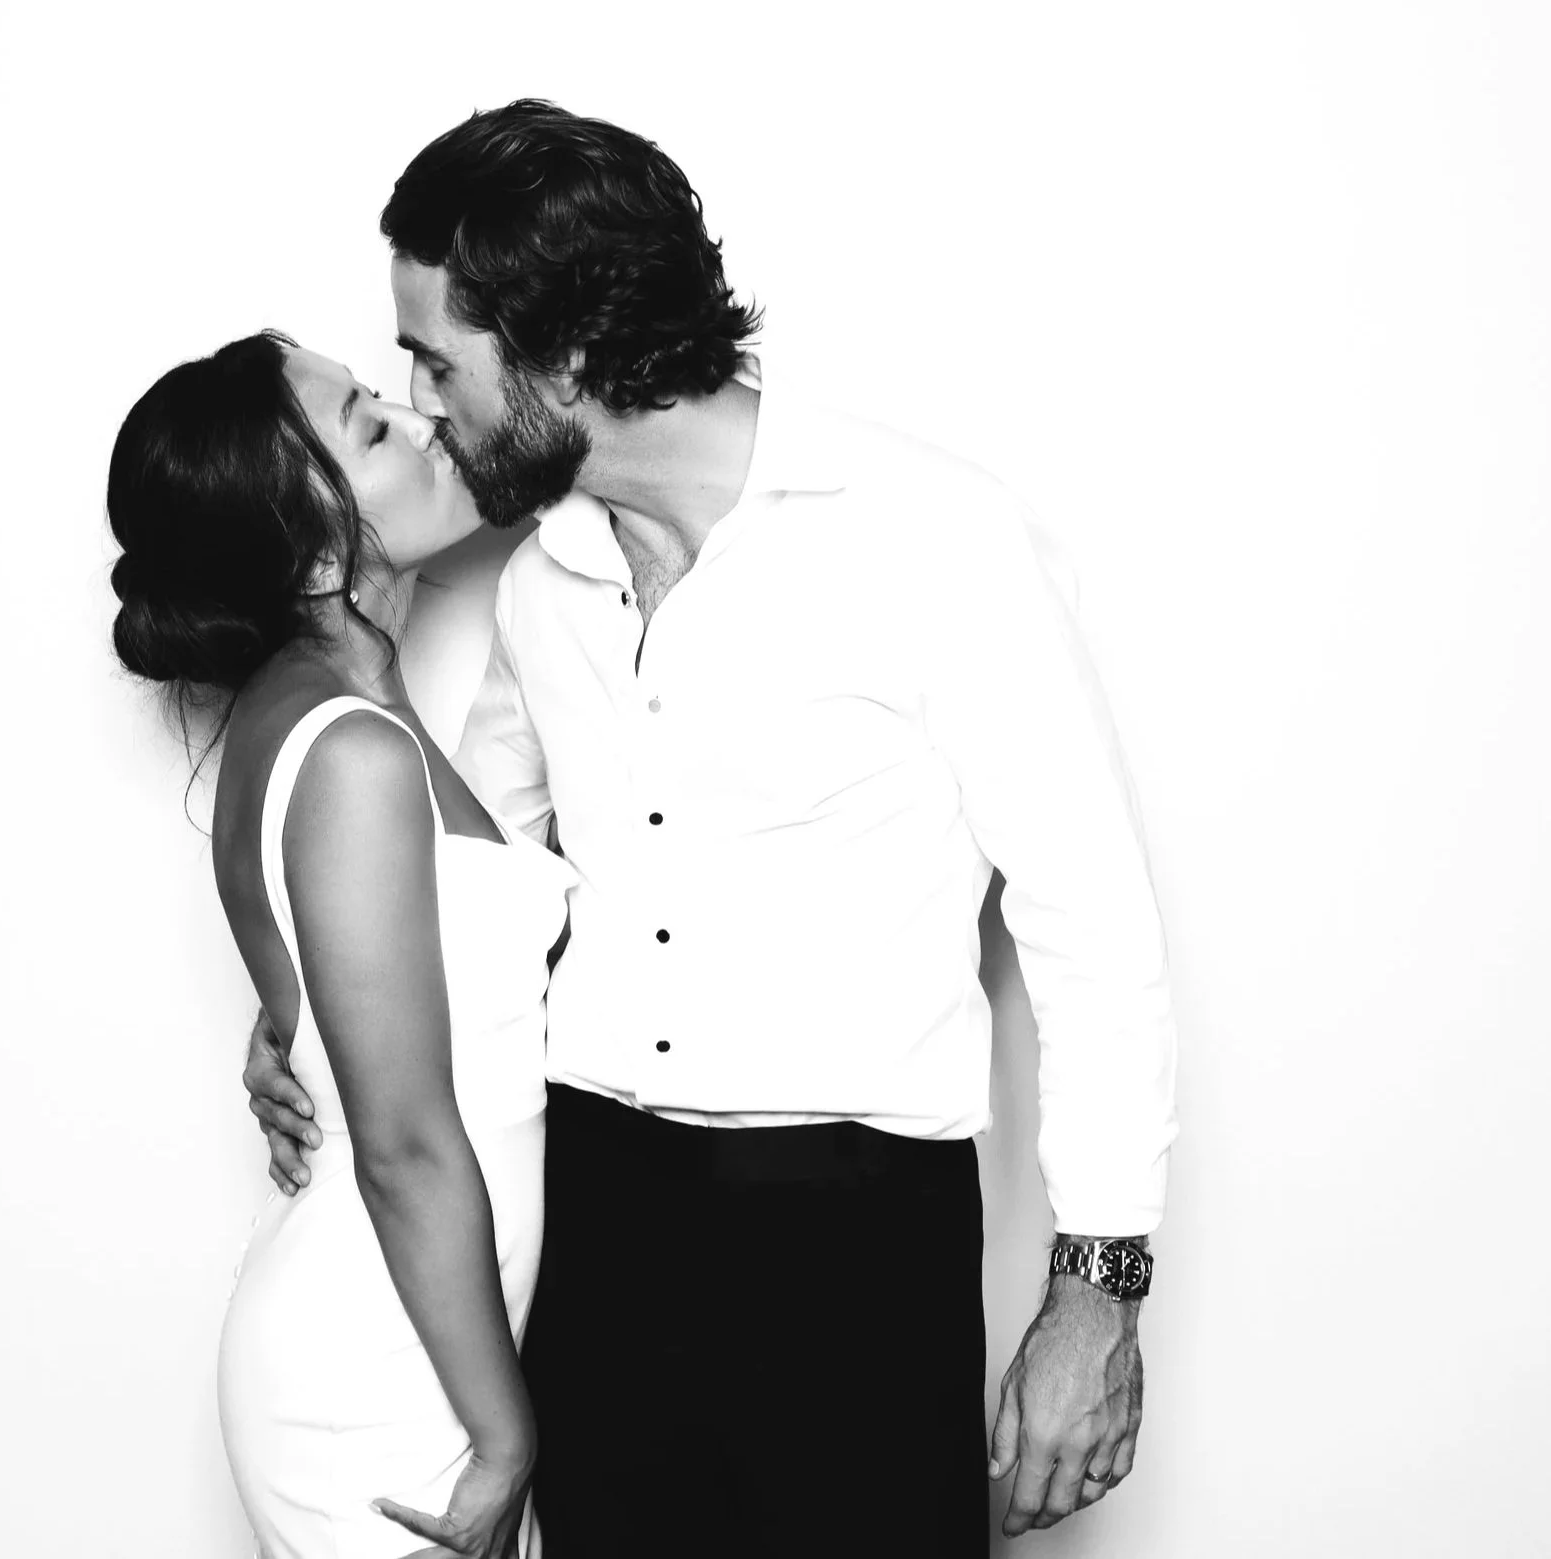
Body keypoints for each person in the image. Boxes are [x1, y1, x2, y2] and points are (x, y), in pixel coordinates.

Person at [245, 101, 1180, 1554]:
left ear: (565, 353)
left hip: (857, 1239)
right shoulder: (544, 575)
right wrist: (304, 1012)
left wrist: (1095, 1290)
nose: (425, 405)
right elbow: (475, 869)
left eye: (436, 360)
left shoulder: (933, 534)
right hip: (597, 1231)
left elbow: (1090, 922)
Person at [109, 331, 572, 1557]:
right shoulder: (349, 753)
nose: (420, 423)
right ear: (317, 552)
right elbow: (404, 1144)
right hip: (388, 1386)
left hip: (414, 1348)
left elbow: (348, 1021)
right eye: (372, 425)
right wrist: (504, 1438)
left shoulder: (340, 714)